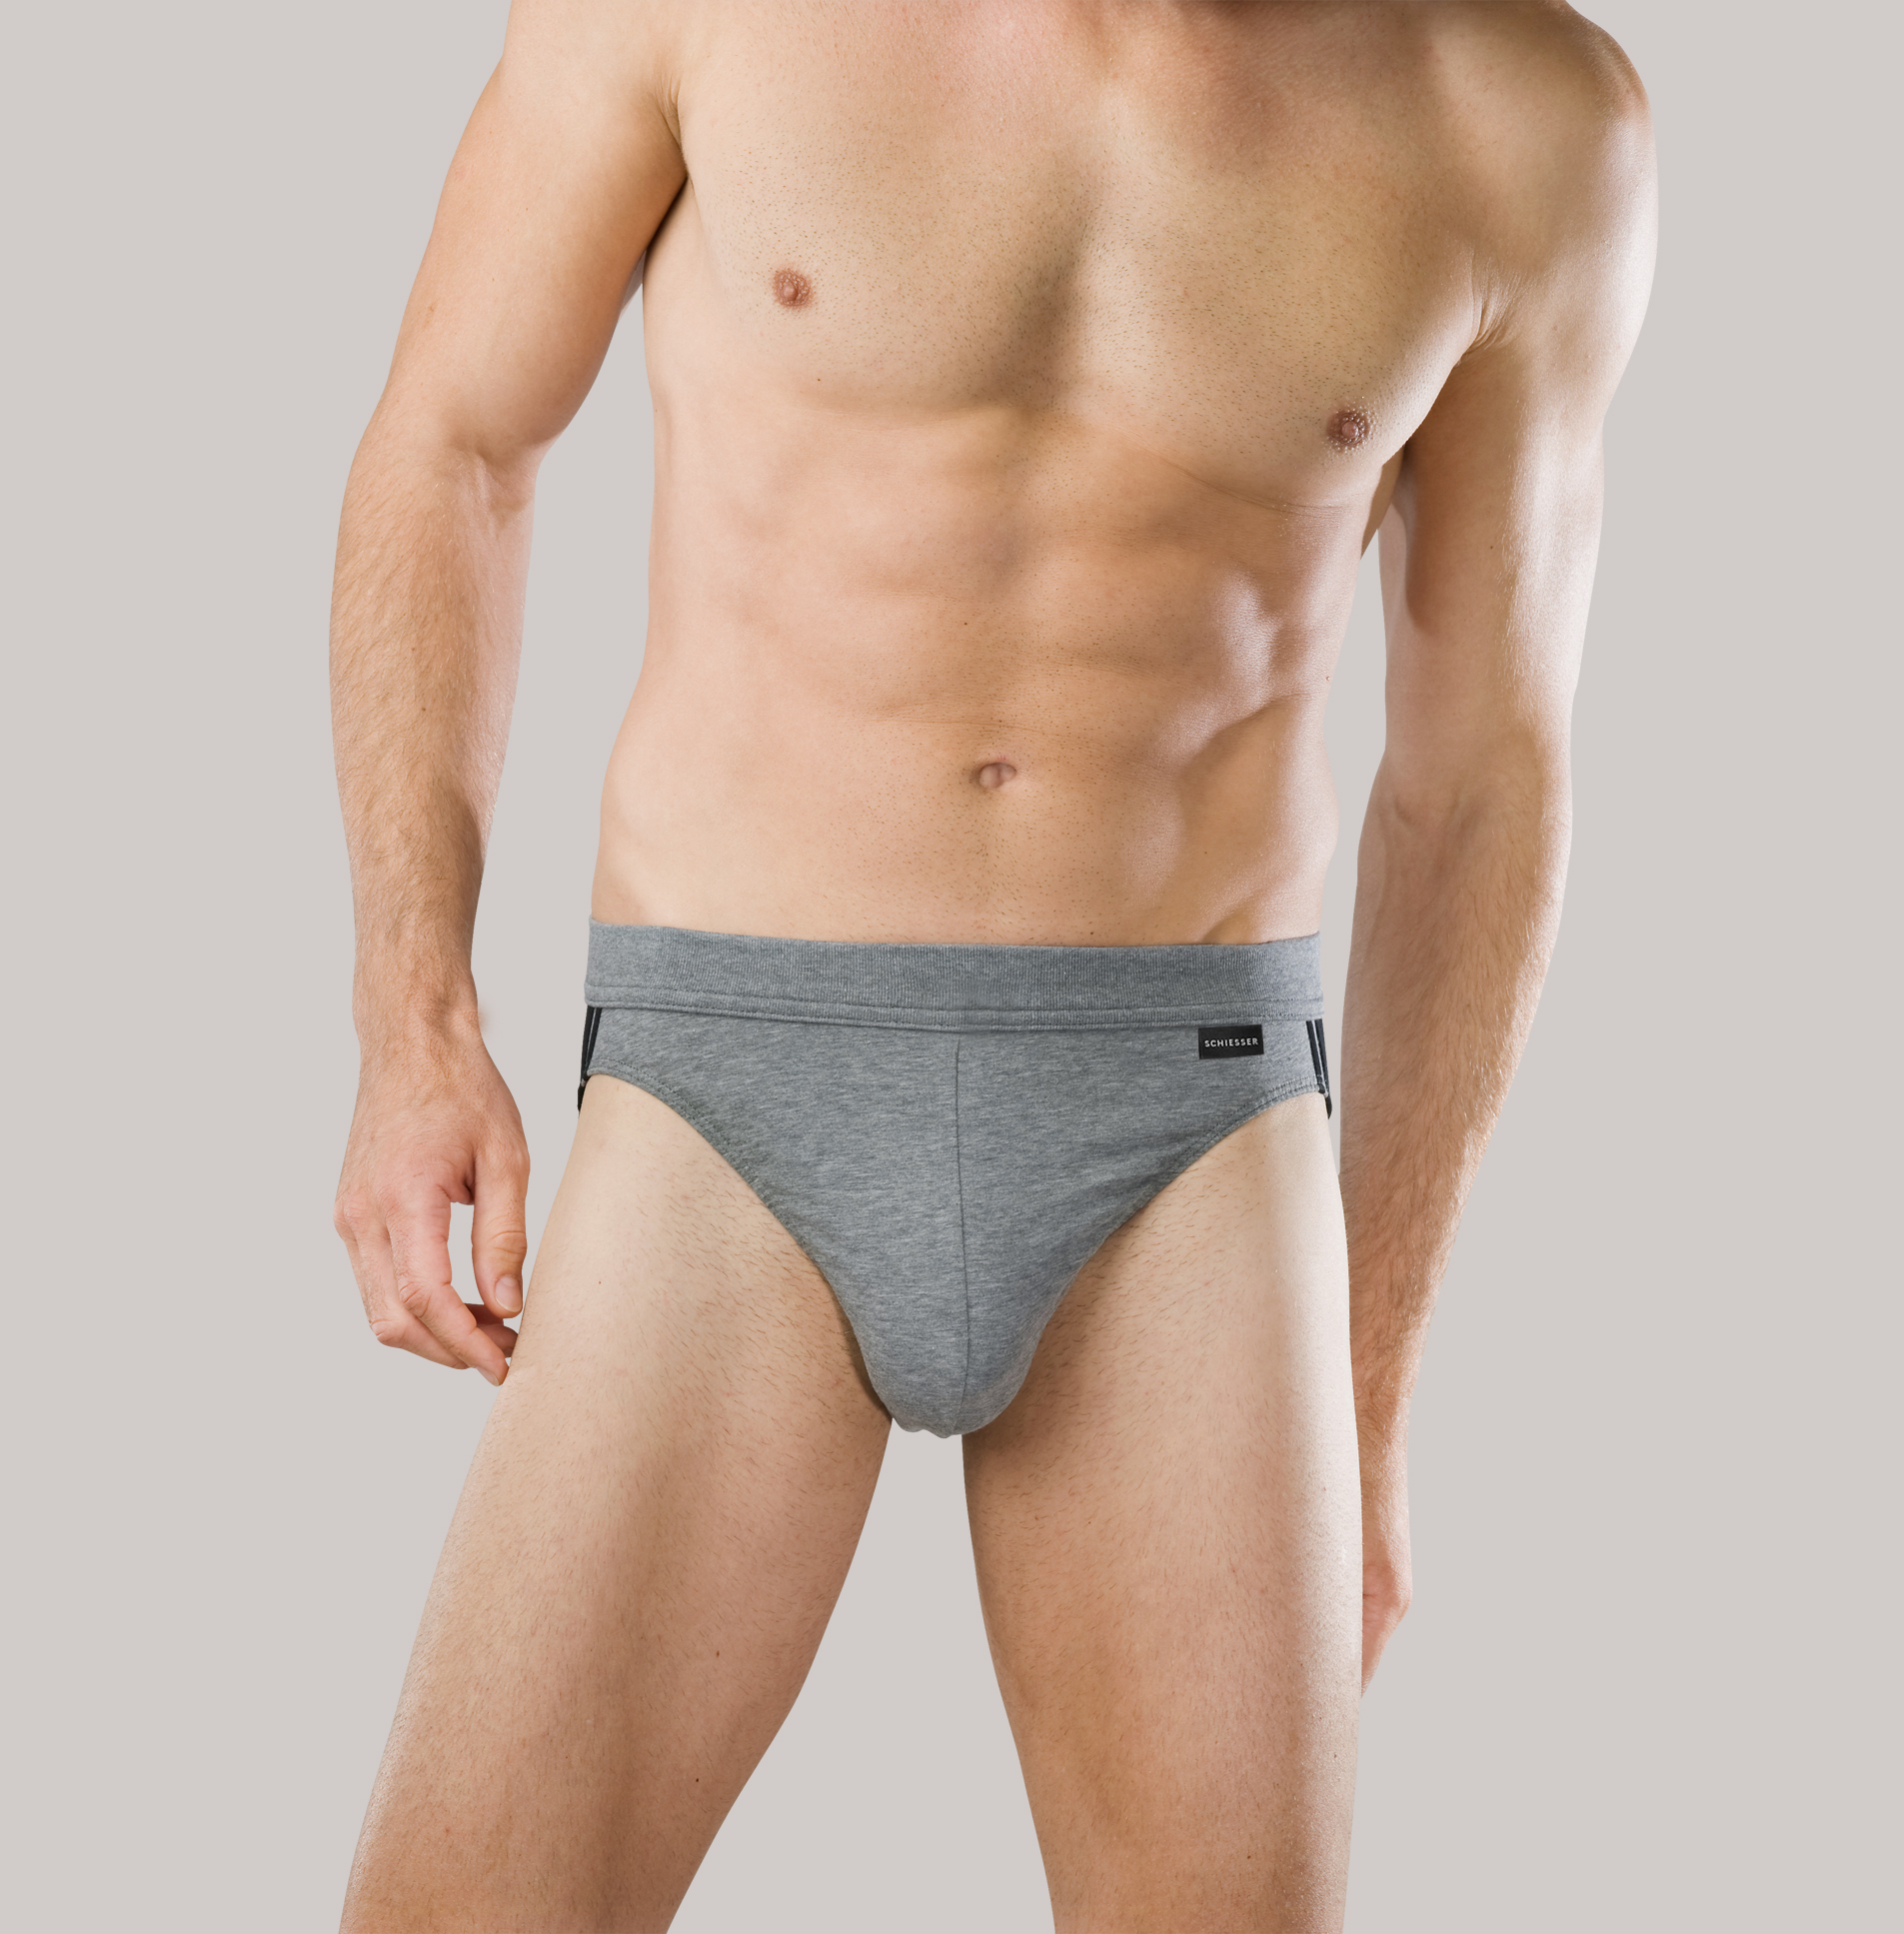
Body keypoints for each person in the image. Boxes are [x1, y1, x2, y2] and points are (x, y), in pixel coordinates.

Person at [330, 2, 1654, 1925]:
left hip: (1189, 1131)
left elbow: (1480, 780)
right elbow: (452, 442)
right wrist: (414, 1017)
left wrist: (1364, 1400)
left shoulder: (1525, 118)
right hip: (733, 1089)